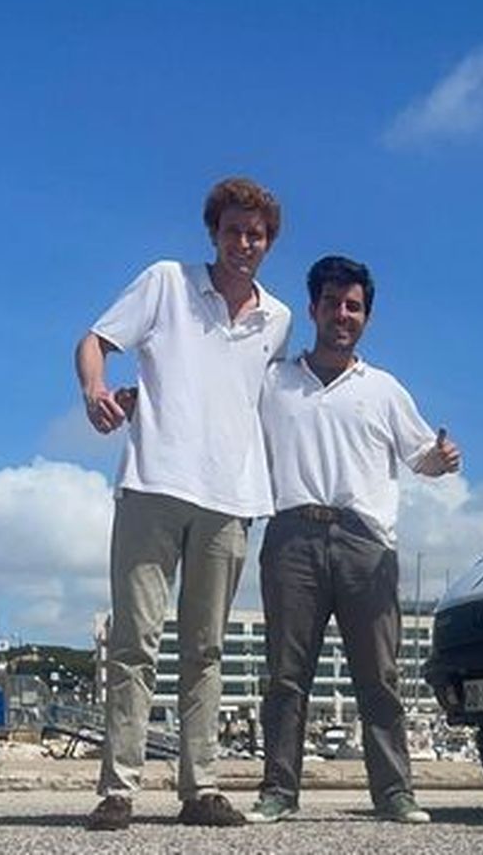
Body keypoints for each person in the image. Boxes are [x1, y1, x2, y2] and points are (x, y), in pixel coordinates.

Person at [77, 177, 291, 830]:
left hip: (231, 496)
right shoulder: (166, 281)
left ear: (268, 241)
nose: (243, 243)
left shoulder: (276, 318)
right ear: (214, 233)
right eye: (233, 231)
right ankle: (119, 789)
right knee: (135, 641)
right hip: (154, 484)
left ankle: (201, 789)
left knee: (207, 649)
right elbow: (94, 341)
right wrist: (96, 390)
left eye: (255, 234)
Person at [246, 255, 460, 824]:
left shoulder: (385, 390)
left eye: (354, 306)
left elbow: (422, 458)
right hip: (292, 533)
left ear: (365, 316)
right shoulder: (274, 382)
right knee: (287, 676)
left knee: (379, 676)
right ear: (313, 307)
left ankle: (394, 793)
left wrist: (441, 460)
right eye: (333, 303)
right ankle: (279, 791)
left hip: (366, 541)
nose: (343, 314)